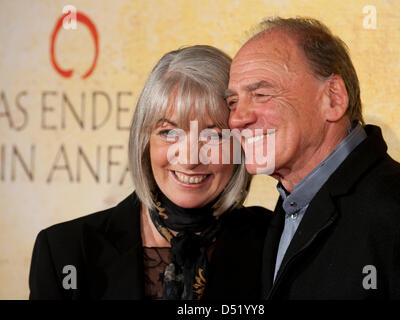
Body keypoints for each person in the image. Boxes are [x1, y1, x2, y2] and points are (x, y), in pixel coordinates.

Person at [29, 45, 271, 300]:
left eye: (214, 135)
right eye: (168, 132)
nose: (189, 159)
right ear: (144, 141)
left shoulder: (274, 244)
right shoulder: (65, 251)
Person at [226, 17, 400, 299]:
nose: (238, 119)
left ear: (333, 98)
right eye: (232, 102)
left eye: (261, 94)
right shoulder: (289, 208)